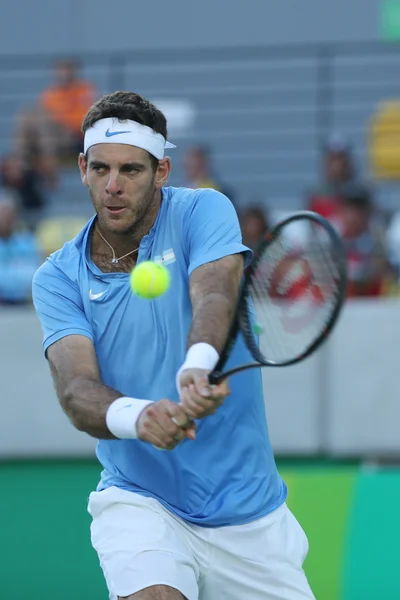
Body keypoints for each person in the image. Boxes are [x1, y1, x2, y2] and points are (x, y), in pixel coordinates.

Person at [32, 91, 315, 600]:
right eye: (100, 169)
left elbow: (214, 292)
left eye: (131, 171)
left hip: (250, 515)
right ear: (81, 168)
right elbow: (76, 390)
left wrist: (198, 363)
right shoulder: (56, 278)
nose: (113, 187)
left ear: (161, 171)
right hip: (141, 500)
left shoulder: (205, 210)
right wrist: (141, 418)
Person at [13, 58, 96, 188]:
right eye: (59, 71)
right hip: (50, 134)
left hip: (73, 135)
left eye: (65, 70)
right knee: (26, 114)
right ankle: (20, 160)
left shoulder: (83, 91)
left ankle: (49, 165)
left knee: (45, 122)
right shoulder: (51, 93)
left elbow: (84, 118)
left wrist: (61, 120)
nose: (62, 74)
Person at [0, 193, 41, 304]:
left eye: (9, 214)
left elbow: (34, 272)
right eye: (3, 213)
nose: (6, 218)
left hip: (25, 301)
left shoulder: (27, 240)